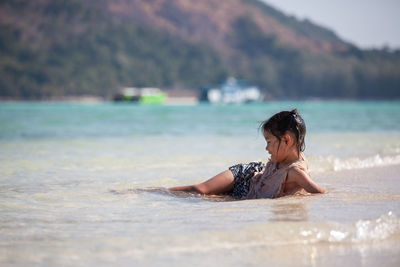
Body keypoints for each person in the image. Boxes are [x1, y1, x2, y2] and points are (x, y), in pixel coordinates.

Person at [169, 109, 325, 199]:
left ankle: (159, 192)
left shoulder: (296, 172)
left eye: (269, 142)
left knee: (209, 198)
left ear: (286, 140)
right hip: (246, 175)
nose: (267, 148)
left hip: (247, 192)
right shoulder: (296, 158)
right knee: (201, 191)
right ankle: (158, 192)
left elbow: (319, 192)